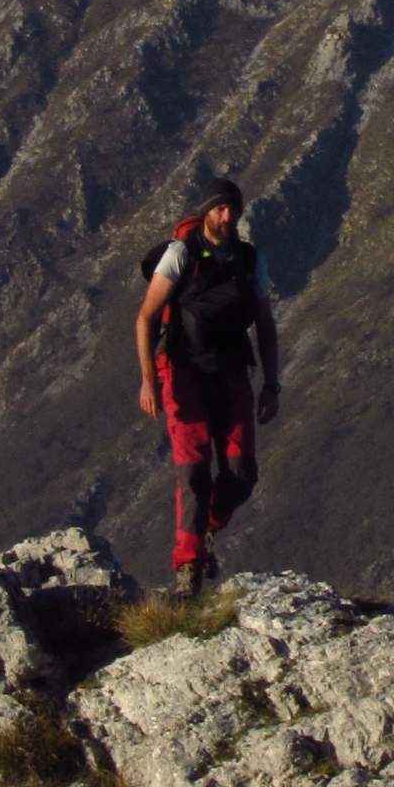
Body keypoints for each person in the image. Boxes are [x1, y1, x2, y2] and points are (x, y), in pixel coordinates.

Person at [136, 177, 281, 599]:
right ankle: (188, 572)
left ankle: (206, 534)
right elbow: (146, 317)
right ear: (205, 213)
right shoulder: (181, 255)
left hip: (233, 372)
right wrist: (149, 380)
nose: (227, 216)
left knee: (241, 475)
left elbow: (265, 325)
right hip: (183, 373)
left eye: (232, 209)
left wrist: (271, 386)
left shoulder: (250, 261)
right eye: (219, 209)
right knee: (195, 474)